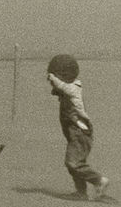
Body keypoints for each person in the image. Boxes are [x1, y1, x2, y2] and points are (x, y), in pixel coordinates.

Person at [46, 54, 109, 199]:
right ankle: (81, 192)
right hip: (73, 132)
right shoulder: (66, 88)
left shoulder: (74, 89)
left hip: (80, 132)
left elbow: (63, 87)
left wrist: (53, 78)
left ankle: (99, 180)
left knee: (72, 163)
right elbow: (59, 89)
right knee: (76, 164)